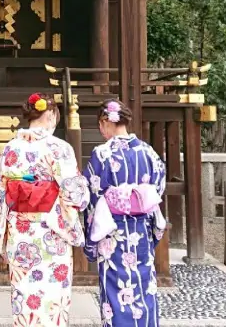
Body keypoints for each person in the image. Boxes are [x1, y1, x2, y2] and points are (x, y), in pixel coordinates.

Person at [0, 92, 90, 327]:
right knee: (53, 294)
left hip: (20, 230)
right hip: (51, 230)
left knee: (24, 293)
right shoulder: (59, 148)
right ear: (52, 116)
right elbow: (73, 192)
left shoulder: (10, 148)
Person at [83, 99, 166, 327]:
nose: (101, 132)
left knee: (114, 287)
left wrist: (90, 240)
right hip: (140, 232)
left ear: (105, 122)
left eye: (100, 126)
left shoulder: (101, 154)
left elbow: (92, 195)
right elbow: (158, 189)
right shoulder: (148, 152)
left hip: (112, 234)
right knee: (144, 285)